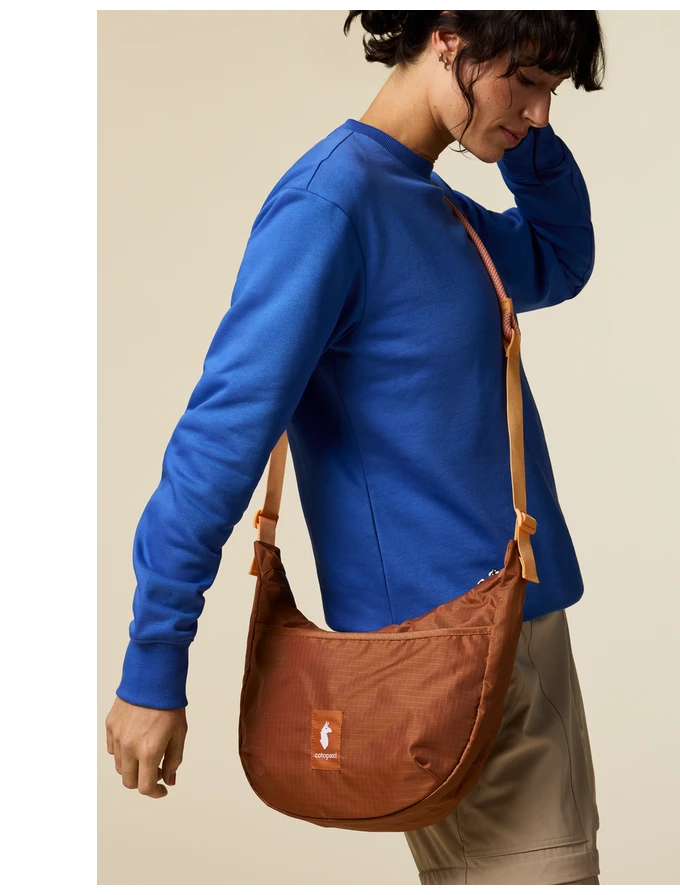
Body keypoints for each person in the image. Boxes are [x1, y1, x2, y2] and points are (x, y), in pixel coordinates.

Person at [105, 9, 606, 886]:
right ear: (446, 36)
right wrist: (153, 662)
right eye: (524, 82)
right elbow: (220, 438)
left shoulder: (428, 201)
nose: (537, 113)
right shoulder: (330, 204)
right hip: (448, 650)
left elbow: (559, 259)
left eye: (552, 91)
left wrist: (524, 139)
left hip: (511, 627)